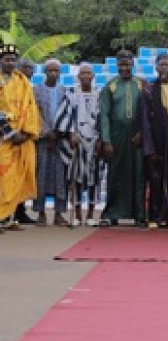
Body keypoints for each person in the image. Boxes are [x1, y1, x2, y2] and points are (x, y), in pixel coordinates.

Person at [99, 50, 145, 226]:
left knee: (138, 174)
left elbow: (147, 113)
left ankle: (139, 214)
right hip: (116, 138)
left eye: (127, 64)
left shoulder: (141, 84)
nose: (124, 68)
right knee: (115, 174)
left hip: (137, 138)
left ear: (133, 64)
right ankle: (111, 213)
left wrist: (142, 132)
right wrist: (106, 141)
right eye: (121, 65)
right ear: (117, 66)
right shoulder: (110, 86)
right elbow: (104, 115)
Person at [56, 63, 102, 227]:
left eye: (88, 73)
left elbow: (103, 118)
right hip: (77, 141)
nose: (85, 76)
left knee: (93, 180)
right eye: (82, 73)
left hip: (94, 141)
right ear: (78, 76)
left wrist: (101, 139)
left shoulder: (99, 94)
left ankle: (90, 214)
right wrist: (71, 133)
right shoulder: (71, 94)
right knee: (75, 179)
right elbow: (65, 114)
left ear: (93, 76)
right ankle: (76, 215)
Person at [0, 43, 39, 232]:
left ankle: (8, 217)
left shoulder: (21, 80)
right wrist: (9, 132)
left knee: (16, 179)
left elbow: (30, 107)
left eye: (13, 60)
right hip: (3, 138)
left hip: (21, 136)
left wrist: (26, 132)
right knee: (3, 178)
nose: (10, 63)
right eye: (7, 60)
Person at [140, 53, 168, 229]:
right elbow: (145, 120)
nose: (164, 68)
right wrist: (149, 147)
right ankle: (154, 216)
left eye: (167, 65)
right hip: (155, 141)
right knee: (155, 179)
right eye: (161, 65)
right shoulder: (148, 89)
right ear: (156, 67)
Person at [32, 59, 69, 226]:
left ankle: (59, 213)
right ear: (45, 72)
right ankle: (40, 212)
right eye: (50, 70)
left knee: (60, 176)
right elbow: (34, 114)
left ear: (60, 73)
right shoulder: (36, 91)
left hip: (60, 140)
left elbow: (68, 114)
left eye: (56, 71)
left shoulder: (64, 91)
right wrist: (47, 133)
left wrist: (59, 132)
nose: (53, 73)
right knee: (41, 175)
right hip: (42, 140)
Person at [13, 57, 36, 224]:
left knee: (22, 178)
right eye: (25, 67)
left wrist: (27, 133)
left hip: (26, 139)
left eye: (31, 68)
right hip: (8, 139)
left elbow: (34, 114)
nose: (28, 71)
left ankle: (20, 212)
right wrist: (11, 133)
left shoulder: (31, 89)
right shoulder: (8, 86)